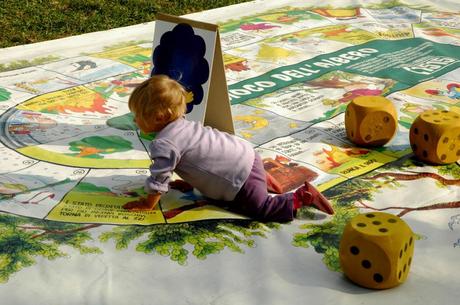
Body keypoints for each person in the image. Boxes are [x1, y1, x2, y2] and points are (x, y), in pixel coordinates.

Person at [123, 74, 334, 222]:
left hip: (239, 173)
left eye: (138, 116)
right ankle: (264, 180)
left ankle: (303, 197)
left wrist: (148, 204)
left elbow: (159, 179)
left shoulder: (164, 143)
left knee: (260, 209)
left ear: (159, 117)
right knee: (236, 185)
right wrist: (192, 182)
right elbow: (200, 157)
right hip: (246, 154)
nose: (135, 120)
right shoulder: (183, 125)